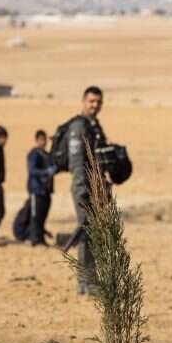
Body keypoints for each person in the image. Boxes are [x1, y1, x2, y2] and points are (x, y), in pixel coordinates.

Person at [67, 86, 109, 294]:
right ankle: (86, 282)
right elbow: (77, 164)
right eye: (91, 101)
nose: (95, 105)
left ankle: (91, 279)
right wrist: (84, 192)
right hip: (83, 188)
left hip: (96, 188)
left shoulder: (94, 126)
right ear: (83, 102)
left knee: (94, 234)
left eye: (98, 102)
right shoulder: (78, 127)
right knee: (86, 233)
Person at [26, 129, 56, 246]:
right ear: (37, 140)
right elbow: (32, 170)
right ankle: (35, 239)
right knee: (36, 216)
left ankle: (41, 239)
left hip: (46, 190)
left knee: (43, 215)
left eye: (45, 140)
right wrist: (46, 172)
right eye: (41, 139)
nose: (44, 142)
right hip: (37, 190)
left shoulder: (47, 155)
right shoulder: (34, 154)